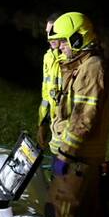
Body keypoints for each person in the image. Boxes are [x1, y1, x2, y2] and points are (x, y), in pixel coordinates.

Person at [46, 11, 109, 217]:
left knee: (60, 208)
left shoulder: (91, 68)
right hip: (85, 155)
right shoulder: (84, 65)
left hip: (78, 156)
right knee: (89, 209)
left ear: (78, 39)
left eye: (64, 41)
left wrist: (64, 154)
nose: (60, 47)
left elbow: (83, 118)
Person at [38, 12, 63, 153]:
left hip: (67, 125)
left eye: (53, 32)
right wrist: (42, 123)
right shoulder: (48, 57)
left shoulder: (71, 59)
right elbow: (46, 94)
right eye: (47, 32)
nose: (49, 37)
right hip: (53, 123)